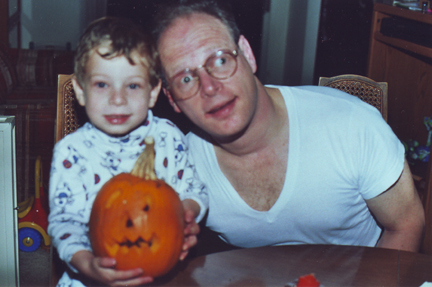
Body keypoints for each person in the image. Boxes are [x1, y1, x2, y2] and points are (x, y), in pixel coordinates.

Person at [152, 0, 425, 253]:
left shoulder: (350, 123)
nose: (210, 88)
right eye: (185, 79)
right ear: (171, 98)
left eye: (221, 60)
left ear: (247, 54)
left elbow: (406, 224)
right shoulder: (177, 165)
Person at [48, 16, 208, 287]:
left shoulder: (167, 137)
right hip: (88, 280)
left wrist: (185, 214)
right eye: (102, 84)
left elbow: (193, 188)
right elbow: (65, 222)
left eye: (132, 85)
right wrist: (86, 263)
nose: (117, 99)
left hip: (161, 275)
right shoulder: (71, 152)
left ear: (153, 91)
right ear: (80, 90)